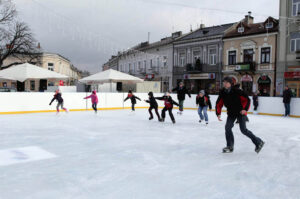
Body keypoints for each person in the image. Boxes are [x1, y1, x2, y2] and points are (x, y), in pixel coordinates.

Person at [215, 77, 265, 153]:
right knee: (227, 128)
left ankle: (258, 142)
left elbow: (247, 99)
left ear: (230, 83)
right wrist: (218, 113)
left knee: (243, 130)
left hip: (240, 112)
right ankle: (230, 146)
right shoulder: (223, 92)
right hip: (231, 113)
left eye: (226, 82)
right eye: (224, 82)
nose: (224, 84)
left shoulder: (237, 91)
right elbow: (219, 103)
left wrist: (244, 109)